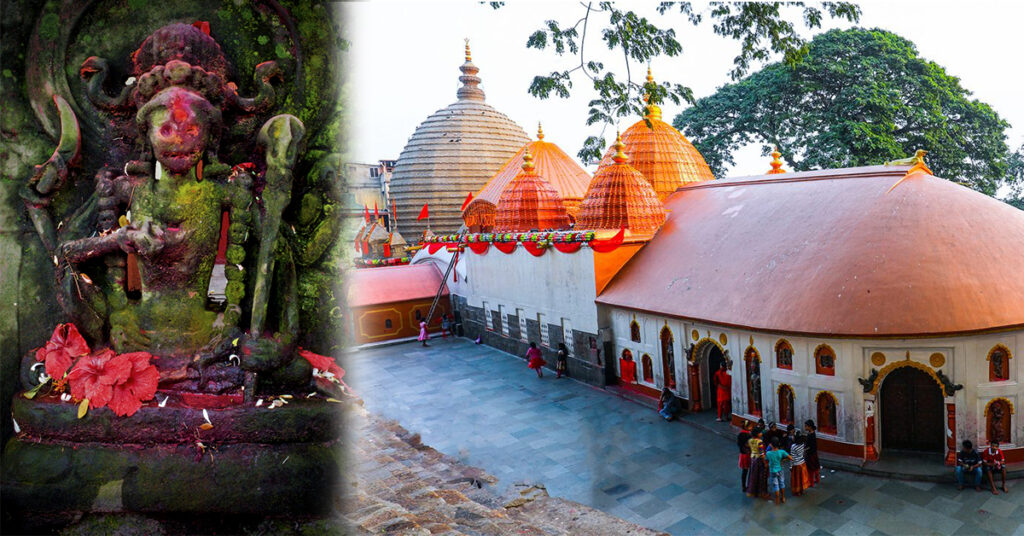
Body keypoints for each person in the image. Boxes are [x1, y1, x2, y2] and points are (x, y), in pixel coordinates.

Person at [765, 437, 792, 505]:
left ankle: (777, 500)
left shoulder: (768, 453)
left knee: (776, 485)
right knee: (782, 483)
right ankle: (783, 498)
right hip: (780, 469)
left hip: (773, 471)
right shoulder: (782, 451)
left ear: (771, 445)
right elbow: (791, 458)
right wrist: (783, 460)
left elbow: (766, 462)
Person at [746, 428, 769, 499]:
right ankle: (762, 492)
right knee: (761, 476)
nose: (761, 433)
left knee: (753, 475)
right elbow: (762, 453)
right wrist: (765, 462)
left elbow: (748, 448)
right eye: (760, 432)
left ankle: (754, 491)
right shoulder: (760, 442)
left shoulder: (750, 440)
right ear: (757, 434)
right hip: (759, 460)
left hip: (753, 459)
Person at [790, 432, 811, 496]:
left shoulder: (793, 446)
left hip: (796, 464)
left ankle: (797, 491)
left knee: (797, 479)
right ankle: (802, 490)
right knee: (802, 478)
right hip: (802, 463)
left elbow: (792, 457)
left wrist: (790, 466)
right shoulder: (802, 444)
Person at [804, 420, 820, 487]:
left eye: (806, 426)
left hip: (810, 454)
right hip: (814, 453)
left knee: (810, 469)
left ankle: (811, 483)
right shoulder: (812, 433)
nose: (805, 427)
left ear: (810, 427)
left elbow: (809, 446)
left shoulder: (810, 435)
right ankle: (817, 479)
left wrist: (804, 450)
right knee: (816, 467)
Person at [737, 422, 752, 492]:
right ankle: (750, 484)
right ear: (746, 427)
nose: (751, 427)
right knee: (750, 471)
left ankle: (743, 486)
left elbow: (739, 444)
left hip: (743, 455)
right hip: (748, 455)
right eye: (750, 426)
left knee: (744, 471)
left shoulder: (740, 434)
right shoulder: (748, 435)